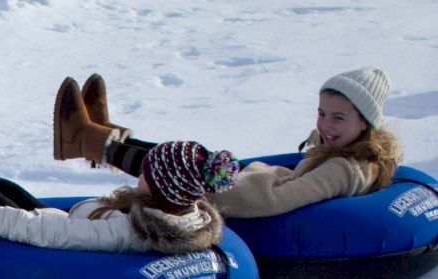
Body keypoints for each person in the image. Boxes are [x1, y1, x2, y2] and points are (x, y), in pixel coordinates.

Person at [0, 81, 241, 253]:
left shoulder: (124, 231)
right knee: (10, 190)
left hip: (56, 244)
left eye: (148, 171)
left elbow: (51, 234)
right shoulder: (181, 210)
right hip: (72, 220)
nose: (139, 172)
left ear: (161, 188)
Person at [55, 67, 402, 218]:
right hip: (254, 182)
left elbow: (279, 200)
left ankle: (85, 140)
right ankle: (103, 137)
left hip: (241, 203)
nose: (325, 125)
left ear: (365, 124)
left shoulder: (342, 169)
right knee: (184, 155)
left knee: (178, 166)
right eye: (321, 113)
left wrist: (204, 185)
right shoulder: (347, 150)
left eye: (338, 118)